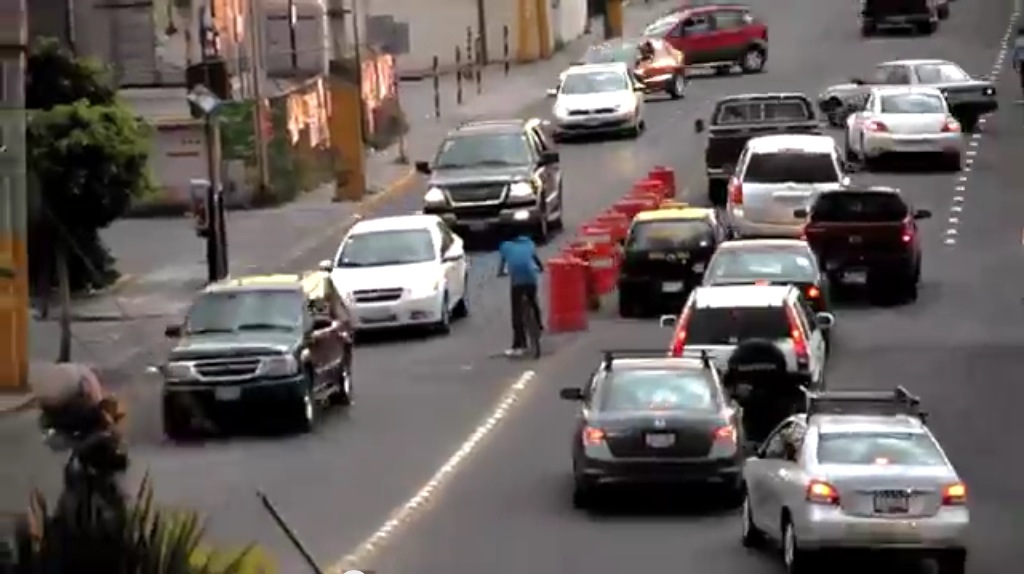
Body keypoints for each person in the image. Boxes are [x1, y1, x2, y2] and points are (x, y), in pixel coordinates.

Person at [497, 231, 544, 356]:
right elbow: (536, 260)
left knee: (516, 312)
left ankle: (519, 343)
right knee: (533, 300)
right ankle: (539, 324)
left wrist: (501, 273)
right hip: (531, 279)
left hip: (517, 281)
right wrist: (541, 268)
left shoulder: (505, 246)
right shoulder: (529, 244)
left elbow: (502, 265)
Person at [1014, 25, 1024, 99]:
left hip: (1022, 61)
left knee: (1022, 75)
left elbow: (1015, 53)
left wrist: (1014, 63)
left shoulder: (1017, 42)